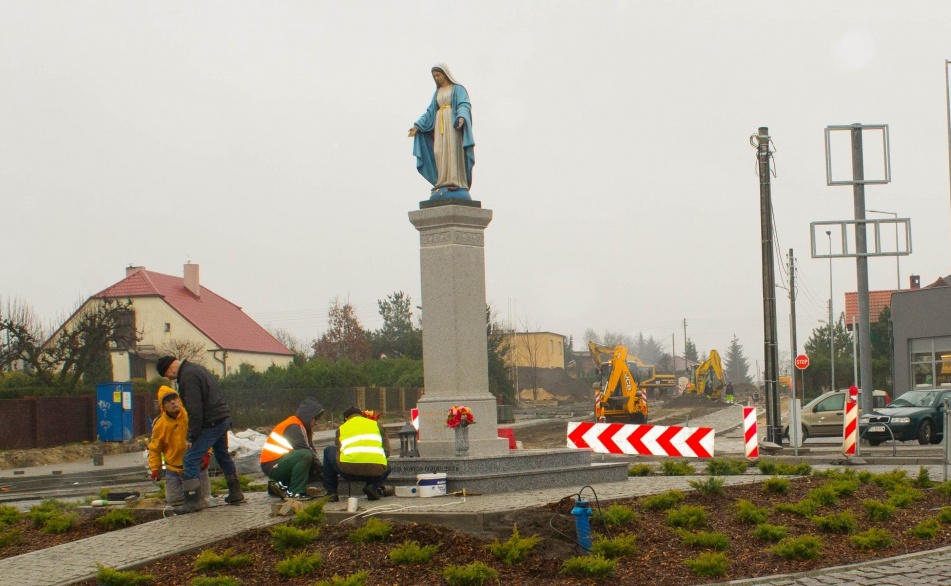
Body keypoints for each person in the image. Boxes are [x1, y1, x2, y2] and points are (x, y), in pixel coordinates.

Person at [156, 355, 245, 514]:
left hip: (211, 422)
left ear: (169, 368)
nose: (169, 378)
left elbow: (194, 409)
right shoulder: (197, 368)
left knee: (189, 459)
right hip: (222, 416)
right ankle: (236, 492)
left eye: (166, 375)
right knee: (222, 454)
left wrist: (191, 436)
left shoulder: (187, 377)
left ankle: (193, 501)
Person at [408, 63, 475, 199]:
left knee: (452, 151)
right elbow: (430, 112)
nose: (436, 78)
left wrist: (462, 116)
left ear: (445, 74)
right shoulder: (437, 92)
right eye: (434, 76)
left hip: (452, 124)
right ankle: (442, 181)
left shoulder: (457, 89)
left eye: (438, 75)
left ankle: (455, 181)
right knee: (439, 151)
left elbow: (464, 104)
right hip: (439, 125)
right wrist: (417, 125)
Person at [146, 385, 212, 507]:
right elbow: (155, 448)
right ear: (162, 406)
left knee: (204, 500)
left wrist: (207, 453)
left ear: (179, 400)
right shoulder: (159, 424)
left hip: (197, 466)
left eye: (174, 398)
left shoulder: (190, 415)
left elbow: (205, 434)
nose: (172, 402)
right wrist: (155, 468)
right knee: (175, 501)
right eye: (168, 401)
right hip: (174, 470)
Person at [260, 397, 326, 500]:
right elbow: (307, 451)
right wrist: (323, 471)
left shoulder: (299, 425)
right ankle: (295, 492)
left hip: (276, 463)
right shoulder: (294, 426)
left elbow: (311, 449)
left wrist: (319, 470)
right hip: (272, 465)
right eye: (316, 419)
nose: (316, 423)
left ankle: (282, 485)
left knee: (310, 463)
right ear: (309, 416)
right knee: (305, 455)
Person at [322, 406, 391, 502]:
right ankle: (372, 486)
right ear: (362, 415)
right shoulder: (376, 425)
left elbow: (339, 450)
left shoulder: (342, 428)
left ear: (346, 419)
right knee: (387, 466)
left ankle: (331, 493)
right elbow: (387, 451)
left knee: (328, 450)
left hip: (348, 471)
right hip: (375, 472)